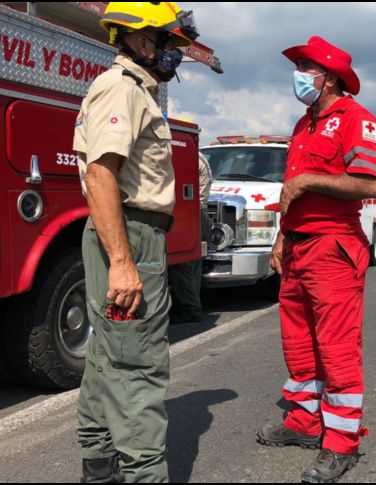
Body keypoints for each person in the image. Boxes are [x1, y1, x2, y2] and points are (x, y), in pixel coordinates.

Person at [73, 3, 201, 482]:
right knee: (138, 363)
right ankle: (143, 474)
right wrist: (125, 261)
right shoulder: (122, 89)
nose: (175, 56)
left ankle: (100, 462)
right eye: (169, 45)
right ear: (143, 42)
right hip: (129, 234)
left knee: (110, 354)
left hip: (124, 231)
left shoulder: (131, 89)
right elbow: (101, 173)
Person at [255, 36, 376, 483]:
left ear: (328, 77)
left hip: (333, 247)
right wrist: (279, 241)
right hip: (296, 246)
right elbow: (291, 192)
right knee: (298, 342)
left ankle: (341, 444)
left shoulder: (357, 120)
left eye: (306, 67)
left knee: (337, 348)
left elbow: (369, 185)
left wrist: (311, 179)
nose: (299, 75)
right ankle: (305, 423)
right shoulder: (303, 123)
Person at [168, 152, 212, 324]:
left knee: (184, 266)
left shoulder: (190, 157)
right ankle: (188, 306)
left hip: (192, 213)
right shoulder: (199, 157)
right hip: (199, 213)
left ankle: (190, 310)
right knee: (191, 267)